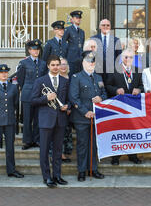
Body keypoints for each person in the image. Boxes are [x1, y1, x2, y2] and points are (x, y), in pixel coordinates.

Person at [31, 55, 70, 188]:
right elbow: (33, 100)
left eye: (57, 65)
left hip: (60, 120)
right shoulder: (40, 81)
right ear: (48, 66)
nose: (55, 67)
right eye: (52, 65)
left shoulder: (65, 81)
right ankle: (47, 177)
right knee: (45, 150)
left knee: (58, 150)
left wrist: (67, 106)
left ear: (60, 66)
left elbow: (69, 99)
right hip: (46, 120)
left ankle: (57, 175)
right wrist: (46, 98)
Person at [69, 51, 107, 182]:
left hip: (96, 117)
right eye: (88, 61)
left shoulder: (98, 78)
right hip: (82, 118)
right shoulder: (76, 77)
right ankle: (81, 171)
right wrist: (85, 112)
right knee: (82, 145)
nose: (91, 64)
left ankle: (93, 169)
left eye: (93, 62)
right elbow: (74, 98)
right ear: (83, 63)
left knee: (94, 145)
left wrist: (101, 98)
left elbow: (105, 93)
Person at [0, 64, 24, 182]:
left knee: (10, 147)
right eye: (1, 73)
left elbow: (16, 104)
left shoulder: (13, 87)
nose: (4, 74)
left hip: (9, 120)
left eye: (6, 72)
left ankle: (11, 170)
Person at [106, 48, 144, 165]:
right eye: (126, 57)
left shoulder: (138, 71)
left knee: (133, 132)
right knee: (119, 132)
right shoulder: (114, 70)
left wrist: (139, 89)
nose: (128, 59)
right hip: (119, 107)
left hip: (133, 107)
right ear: (121, 58)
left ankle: (133, 155)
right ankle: (116, 157)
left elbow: (142, 85)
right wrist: (116, 90)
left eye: (131, 57)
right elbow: (107, 85)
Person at [16, 39, 48, 150]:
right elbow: (20, 79)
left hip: (39, 95)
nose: (36, 51)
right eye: (33, 49)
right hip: (27, 94)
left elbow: (45, 78)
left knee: (38, 118)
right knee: (27, 119)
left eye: (37, 49)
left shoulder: (43, 63)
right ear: (29, 50)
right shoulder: (23, 63)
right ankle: (27, 141)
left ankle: (37, 140)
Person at [62, 10, 85, 77]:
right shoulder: (68, 30)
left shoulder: (82, 32)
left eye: (79, 18)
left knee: (79, 78)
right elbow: (63, 44)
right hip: (71, 59)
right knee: (70, 77)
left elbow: (82, 45)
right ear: (72, 19)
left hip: (80, 59)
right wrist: (64, 58)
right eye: (76, 18)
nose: (78, 19)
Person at [59, 57, 73, 163]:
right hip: (58, 109)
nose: (63, 66)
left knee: (67, 132)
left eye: (65, 64)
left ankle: (66, 152)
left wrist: (70, 106)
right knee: (59, 133)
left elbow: (74, 94)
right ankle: (60, 154)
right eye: (61, 64)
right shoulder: (55, 78)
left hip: (70, 108)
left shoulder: (72, 78)